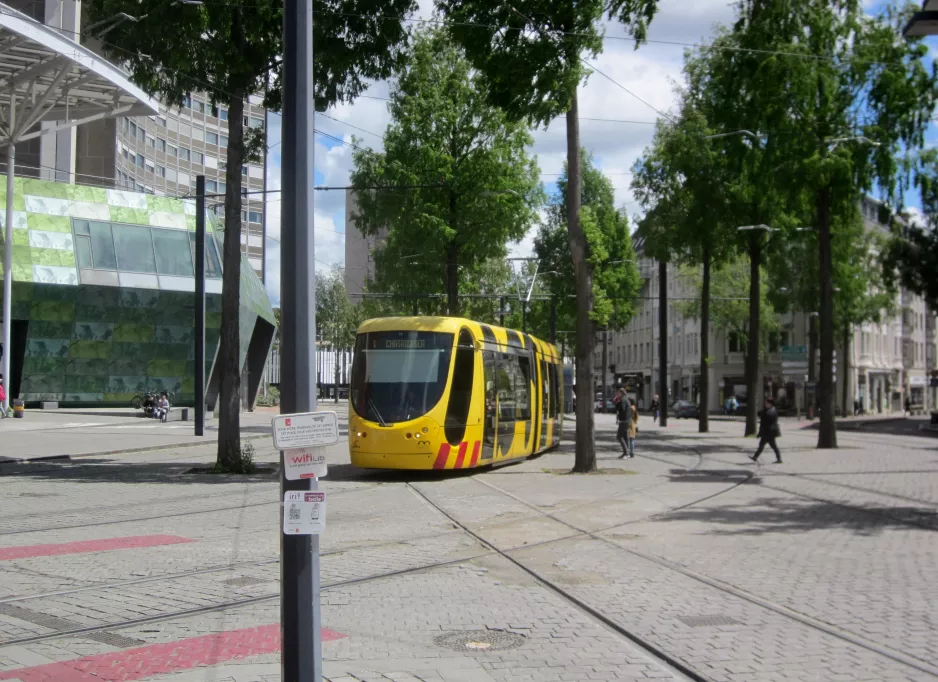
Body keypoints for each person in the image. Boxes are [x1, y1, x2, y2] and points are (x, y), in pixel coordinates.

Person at [750, 397, 782, 464]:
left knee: (772, 446)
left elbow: (765, 420)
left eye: (766, 403)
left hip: (769, 432)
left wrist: (760, 433)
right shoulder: (770, 410)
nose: (765, 404)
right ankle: (755, 457)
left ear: (770, 404)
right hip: (768, 432)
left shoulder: (770, 411)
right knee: (762, 445)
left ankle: (779, 459)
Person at [615, 388, 633, 459]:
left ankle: (626, 452)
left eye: (618, 393)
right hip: (628, 420)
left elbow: (621, 409)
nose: (617, 394)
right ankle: (626, 453)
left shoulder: (622, 400)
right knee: (626, 437)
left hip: (623, 421)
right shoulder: (627, 399)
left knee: (619, 437)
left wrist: (617, 403)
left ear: (621, 393)